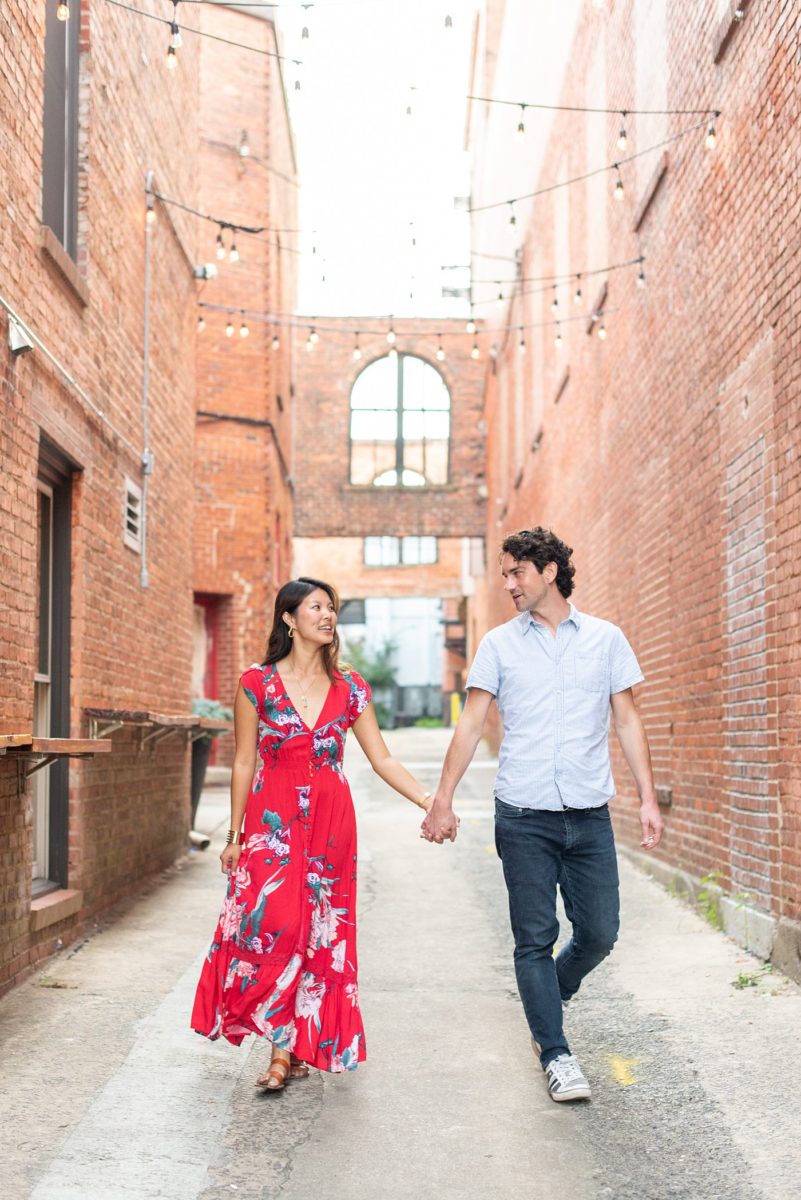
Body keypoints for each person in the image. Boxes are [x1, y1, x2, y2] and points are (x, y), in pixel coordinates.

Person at [422, 527, 664, 1103]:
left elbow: (627, 720)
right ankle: (555, 1052)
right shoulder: (499, 646)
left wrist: (648, 796)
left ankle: (546, 997)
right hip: (524, 814)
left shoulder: (605, 640)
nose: (508, 583)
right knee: (533, 937)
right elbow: (471, 722)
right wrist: (443, 797)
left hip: (588, 815)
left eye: (516, 573)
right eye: (505, 574)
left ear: (549, 571)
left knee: (600, 933)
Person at [191, 576, 432, 1091]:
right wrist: (234, 836)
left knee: (318, 932)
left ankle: (286, 1052)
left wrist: (428, 799)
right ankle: (285, 1043)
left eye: (332, 608)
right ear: (289, 618)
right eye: (317, 607)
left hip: (330, 823)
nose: (328, 616)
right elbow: (241, 761)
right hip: (270, 824)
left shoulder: (350, 688)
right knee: (273, 924)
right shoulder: (256, 683)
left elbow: (381, 757)